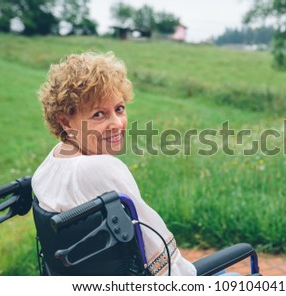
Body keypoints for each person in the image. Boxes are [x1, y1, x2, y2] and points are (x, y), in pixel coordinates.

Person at [32, 52, 196, 276]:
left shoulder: (47, 167)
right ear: (65, 121)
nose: (118, 123)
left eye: (119, 108)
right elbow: (160, 256)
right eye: (99, 114)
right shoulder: (102, 169)